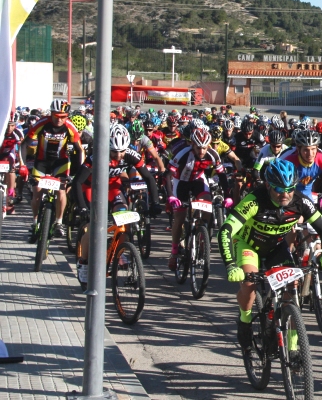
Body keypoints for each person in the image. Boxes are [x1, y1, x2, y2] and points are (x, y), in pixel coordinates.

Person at [218, 159, 322, 359]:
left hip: (276, 247)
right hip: (248, 245)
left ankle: (293, 347)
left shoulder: (300, 202)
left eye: (290, 189)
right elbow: (226, 230)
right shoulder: (254, 201)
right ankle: (245, 321)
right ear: (268, 185)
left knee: (292, 289)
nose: (285, 194)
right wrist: (230, 265)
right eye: (279, 189)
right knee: (249, 284)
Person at [73, 125, 161, 283]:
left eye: (122, 151)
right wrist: (82, 207)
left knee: (124, 221)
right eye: (114, 152)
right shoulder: (96, 155)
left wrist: (155, 202)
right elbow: (77, 182)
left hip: (113, 188)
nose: (119, 155)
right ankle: (83, 262)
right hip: (92, 187)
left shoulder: (131, 155)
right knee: (92, 226)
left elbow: (148, 178)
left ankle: (117, 252)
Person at [23, 99, 84, 242]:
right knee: (37, 192)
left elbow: (80, 150)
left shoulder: (69, 126)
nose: (59, 119)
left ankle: (59, 222)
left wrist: (79, 172)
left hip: (60, 163)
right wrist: (23, 165)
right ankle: (35, 222)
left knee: (61, 191)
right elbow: (24, 144)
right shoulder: (42, 123)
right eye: (56, 116)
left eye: (63, 116)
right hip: (41, 162)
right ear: (51, 114)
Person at [166, 127, 227, 271]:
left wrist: (228, 196)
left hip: (198, 180)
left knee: (208, 204)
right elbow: (167, 175)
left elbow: (222, 175)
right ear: (192, 144)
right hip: (180, 182)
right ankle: (174, 251)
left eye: (204, 148)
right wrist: (171, 196)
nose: (201, 151)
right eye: (198, 148)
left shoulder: (213, 155)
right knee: (180, 217)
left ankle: (202, 233)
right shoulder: (182, 154)